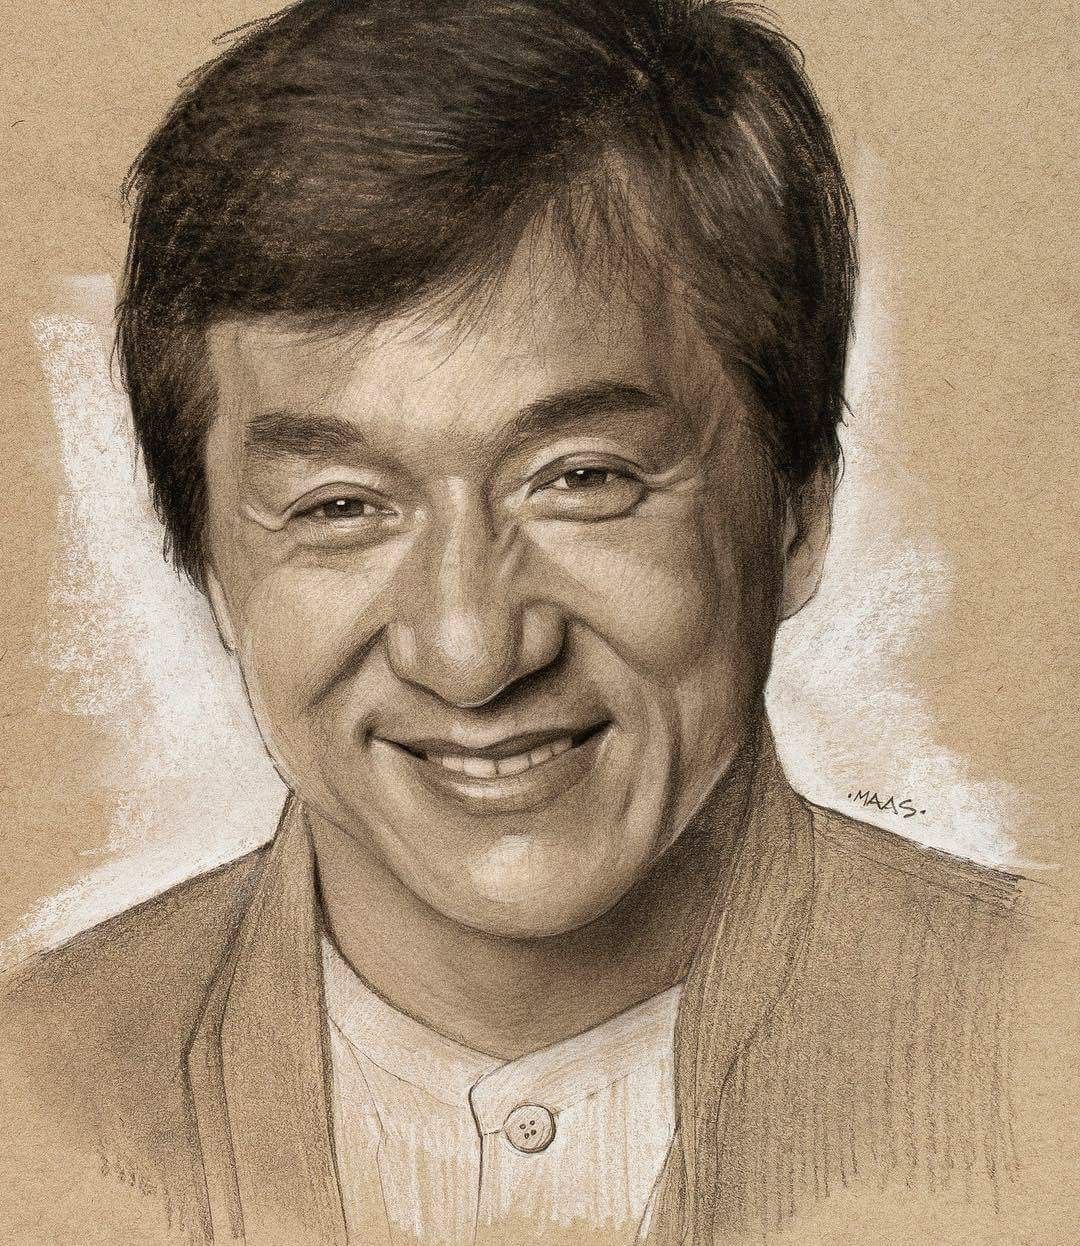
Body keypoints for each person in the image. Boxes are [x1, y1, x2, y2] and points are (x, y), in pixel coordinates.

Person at [1, 1, 1023, 1243]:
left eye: (582, 478)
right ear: (211, 567)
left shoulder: (1037, 1031)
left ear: (797, 516)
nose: (473, 651)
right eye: (339, 506)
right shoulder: (33, 1084)